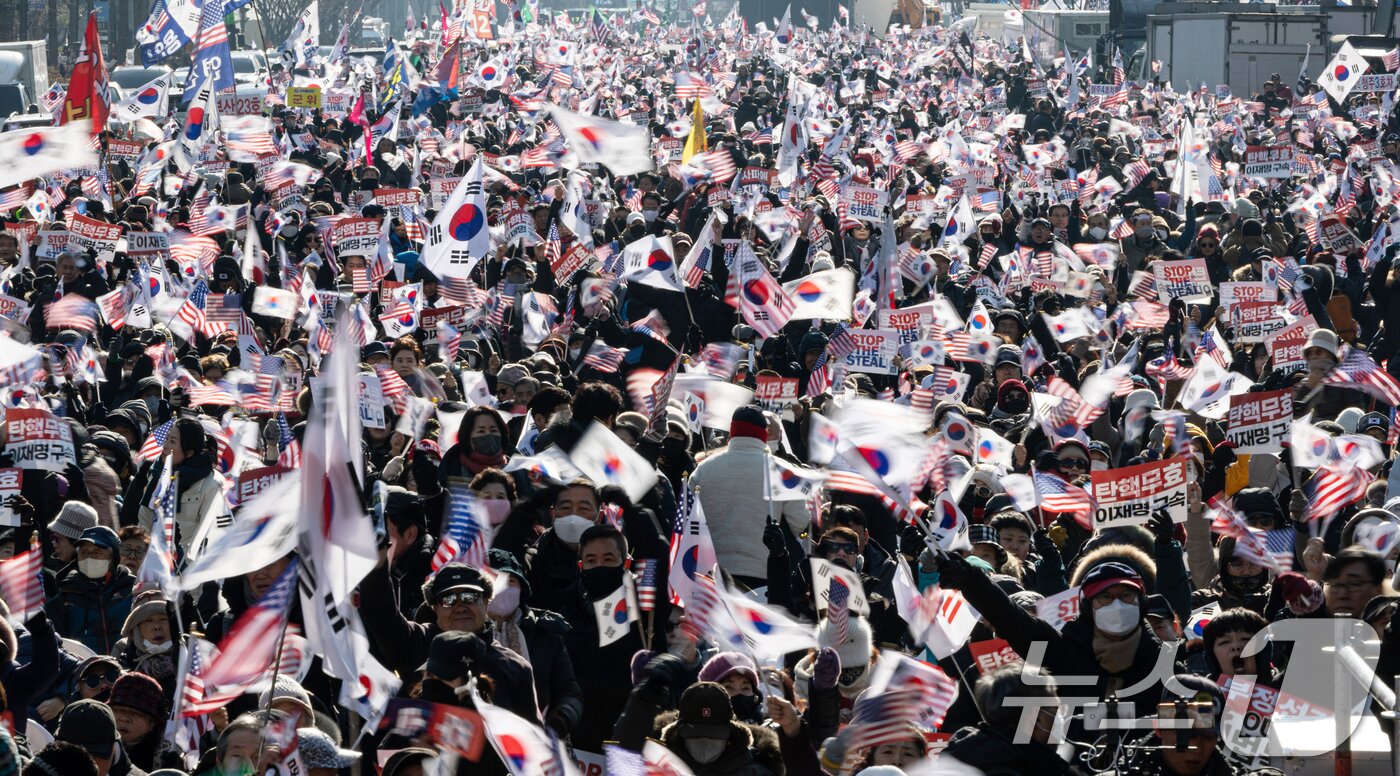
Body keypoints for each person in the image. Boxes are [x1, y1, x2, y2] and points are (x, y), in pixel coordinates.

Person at [689, 406, 811, 588]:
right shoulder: (782, 471)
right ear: (764, 433)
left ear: (732, 431)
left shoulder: (704, 469)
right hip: (763, 574)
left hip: (712, 573)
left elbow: (689, 520)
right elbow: (800, 524)